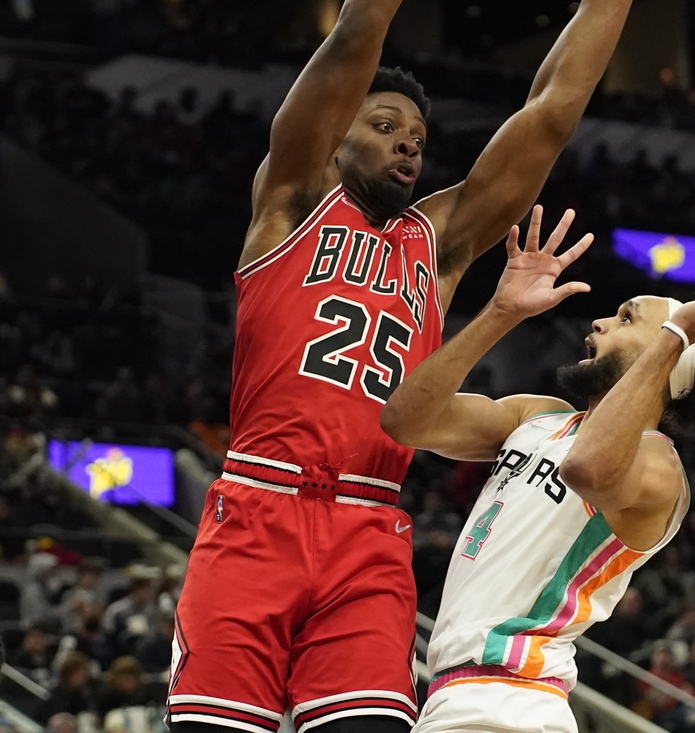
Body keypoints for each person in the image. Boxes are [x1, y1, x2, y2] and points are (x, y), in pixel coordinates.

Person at [168, 0, 638, 731]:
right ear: (336, 134)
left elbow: (549, 113)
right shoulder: (291, 203)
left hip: (368, 526)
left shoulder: (439, 244)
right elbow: (356, 35)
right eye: (384, 126)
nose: (407, 144)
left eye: (417, 135)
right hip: (256, 508)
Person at [380, 209, 695, 733]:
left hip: (512, 700)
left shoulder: (658, 463)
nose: (598, 322)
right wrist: (500, 312)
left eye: (627, 318)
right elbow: (405, 419)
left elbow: (587, 469)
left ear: (670, 353)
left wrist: (679, 331)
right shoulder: (537, 415)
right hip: (460, 696)